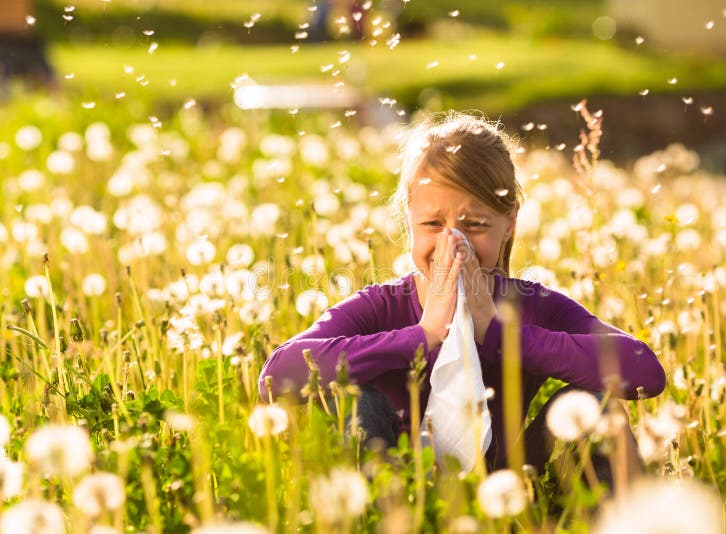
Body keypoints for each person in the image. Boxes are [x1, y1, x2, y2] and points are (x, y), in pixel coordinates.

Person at [258, 112, 666, 481]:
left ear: (509, 224)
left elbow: (645, 371)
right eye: (433, 223)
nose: (453, 243)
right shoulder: (382, 305)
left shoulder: (530, 304)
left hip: (509, 485)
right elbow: (276, 377)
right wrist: (424, 334)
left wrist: (499, 333)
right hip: (395, 485)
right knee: (356, 400)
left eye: (474, 224)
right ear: (409, 223)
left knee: (597, 406)